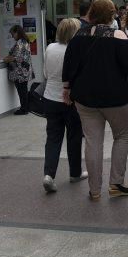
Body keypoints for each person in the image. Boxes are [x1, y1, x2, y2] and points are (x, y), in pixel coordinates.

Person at [62, 0, 128, 200]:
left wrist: (66, 89)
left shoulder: (78, 35)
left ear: (91, 13)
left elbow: (68, 65)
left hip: (84, 98)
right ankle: (116, 183)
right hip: (115, 98)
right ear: (111, 14)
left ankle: (95, 190)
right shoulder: (117, 35)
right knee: (122, 136)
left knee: (92, 142)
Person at [42, 18, 86, 193]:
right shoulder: (77, 50)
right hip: (71, 99)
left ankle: (49, 174)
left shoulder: (50, 48)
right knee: (74, 137)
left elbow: (46, 73)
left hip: (50, 98)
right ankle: (75, 172)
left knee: (53, 138)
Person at [4, 25, 33, 115]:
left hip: (20, 72)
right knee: (23, 90)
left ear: (17, 32)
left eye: (13, 34)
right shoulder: (24, 41)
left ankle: (24, 109)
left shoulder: (20, 43)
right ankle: (25, 108)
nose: (12, 36)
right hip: (24, 71)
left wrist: (6, 59)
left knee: (22, 91)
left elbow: (15, 57)